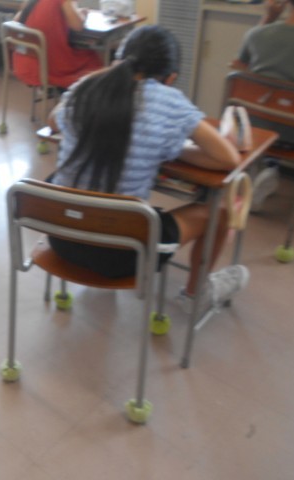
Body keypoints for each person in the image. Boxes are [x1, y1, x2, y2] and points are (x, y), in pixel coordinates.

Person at [48, 25, 249, 311]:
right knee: (221, 211)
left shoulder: (87, 87)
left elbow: (53, 121)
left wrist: (100, 75)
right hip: (120, 256)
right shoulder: (169, 101)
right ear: (171, 78)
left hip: (61, 237)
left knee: (62, 178)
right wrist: (169, 145)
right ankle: (196, 294)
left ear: (119, 60)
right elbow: (228, 157)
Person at [234, 0, 294, 212]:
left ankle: (269, 168)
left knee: (276, 107)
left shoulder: (256, 34)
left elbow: (239, 68)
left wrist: (269, 18)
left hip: (255, 134)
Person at [12, 0, 103, 90]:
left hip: (25, 63)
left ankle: (54, 92)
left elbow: (15, 22)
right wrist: (82, 15)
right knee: (91, 58)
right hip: (49, 68)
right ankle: (73, 93)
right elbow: (77, 26)